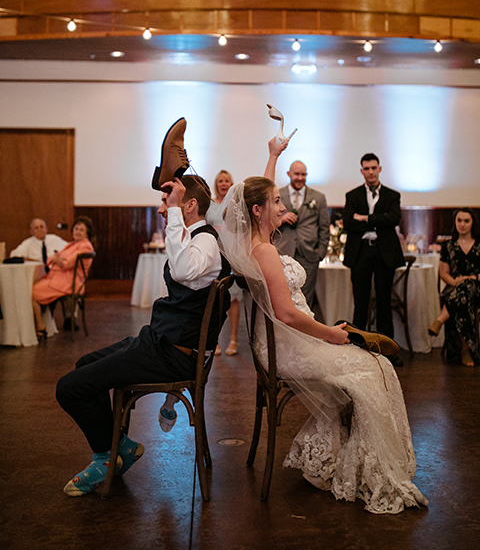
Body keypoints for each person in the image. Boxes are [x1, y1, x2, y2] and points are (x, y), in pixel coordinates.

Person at [219, 140, 427, 514]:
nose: (283, 205)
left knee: (373, 365)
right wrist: (331, 333)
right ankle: (364, 466)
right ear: (258, 210)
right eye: (277, 203)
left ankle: (338, 452)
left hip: (293, 337)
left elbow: (260, 194)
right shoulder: (264, 251)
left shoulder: (257, 237)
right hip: (289, 342)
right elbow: (286, 313)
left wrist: (272, 155)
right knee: (374, 369)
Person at [56, 176, 231, 497]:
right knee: (83, 365)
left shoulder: (205, 242)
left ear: (189, 205)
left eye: (168, 202)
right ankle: (118, 447)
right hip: (159, 343)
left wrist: (176, 209)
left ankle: (106, 458)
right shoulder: (195, 238)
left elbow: (180, 270)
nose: (163, 209)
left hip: (173, 355)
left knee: (68, 388)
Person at [343, 153, 405, 367]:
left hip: (384, 252)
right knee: (360, 302)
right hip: (360, 252)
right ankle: (357, 349)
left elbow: (394, 219)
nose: (370, 172)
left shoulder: (392, 195)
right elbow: (348, 224)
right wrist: (379, 221)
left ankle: (388, 351)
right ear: (362, 171)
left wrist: (365, 218)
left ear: (380, 169)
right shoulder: (352, 195)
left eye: (373, 168)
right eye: (366, 168)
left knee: (384, 302)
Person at [428, 208, 480, 366]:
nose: (462, 224)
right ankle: (466, 349)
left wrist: (470, 278)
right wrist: (456, 282)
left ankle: (440, 319)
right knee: (462, 296)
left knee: (466, 289)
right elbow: (443, 273)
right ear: (455, 222)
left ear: (472, 223)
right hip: (454, 288)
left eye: (466, 221)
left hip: (477, 288)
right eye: (459, 220)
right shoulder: (448, 245)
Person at [276, 161, 330, 311]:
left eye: (303, 174)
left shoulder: (318, 197)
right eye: (297, 174)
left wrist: (320, 253)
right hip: (283, 253)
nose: (300, 178)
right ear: (289, 174)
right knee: (282, 297)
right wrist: (281, 219)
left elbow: (324, 228)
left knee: (306, 299)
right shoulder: (277, 195)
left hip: (309, 256)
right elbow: (267, 223)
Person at [32, 216, 94, 339]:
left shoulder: (85, 246)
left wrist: (57, 258)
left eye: (81, 230)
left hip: (70, 282)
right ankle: (42, 324)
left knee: (32, 292)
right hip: (61, 278)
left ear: (87, 233)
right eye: (76, 229)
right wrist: (57, 258)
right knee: (31, 288)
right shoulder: (72, 244)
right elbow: (51, 259)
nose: (78, 232)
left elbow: (67, 263)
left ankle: (40, 326)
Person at [206, 170, 241, 356]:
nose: (223, 183)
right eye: (220, 180)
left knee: (233, 299)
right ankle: (215, 340)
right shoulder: (209, 205)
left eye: (227, 180)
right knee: (213, 299)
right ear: (216, 184)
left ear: (231, 183)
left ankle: (234, 338)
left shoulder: (235, 205)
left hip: (231, 256)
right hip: (212, 256)